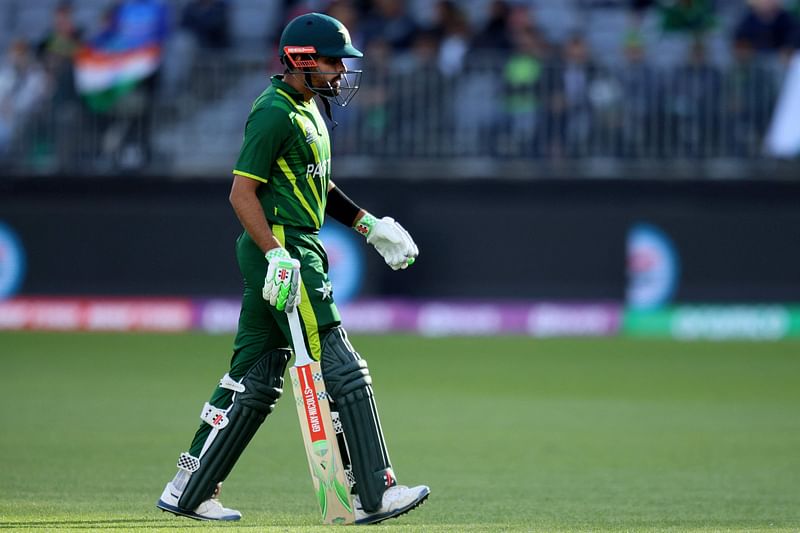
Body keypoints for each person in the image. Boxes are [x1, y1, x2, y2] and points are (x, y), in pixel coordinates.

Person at [155, 12, 429, 524]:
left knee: (254, 378)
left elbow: (316, 188)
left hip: (293, 245)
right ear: (301, 60)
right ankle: (377, 491)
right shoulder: (273, 112)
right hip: (284, 249)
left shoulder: (309, 110)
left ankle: (187, 488)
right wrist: (275, 253)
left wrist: (370, 226)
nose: (341, 74)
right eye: (332, 62)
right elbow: (241, 192)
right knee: (341, 363)